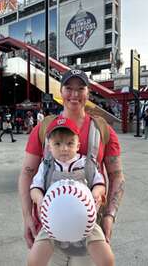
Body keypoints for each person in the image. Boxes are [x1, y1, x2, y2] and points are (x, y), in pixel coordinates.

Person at [19, 69, 125, 266]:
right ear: (61, 90)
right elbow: (27, 174)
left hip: (87, 226)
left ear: (88, 92)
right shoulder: (43, 128)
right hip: (50, 226)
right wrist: (27, 216)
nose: (74, 94)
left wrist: (109, 216)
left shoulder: (103, 130)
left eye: (81, 88)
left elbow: (117, 176)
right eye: (69, 88)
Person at [28, 116, 113, 266]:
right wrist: (40, 199)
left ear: (78, 145)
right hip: (52, 221)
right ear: (49, 147)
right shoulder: (47, 166)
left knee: (107, 259)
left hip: (85, 219)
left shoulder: (86, 164)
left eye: (70, 143)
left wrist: (96, 193)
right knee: (34, 260)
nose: (64, 148)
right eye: (58, 144)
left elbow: (99, 184)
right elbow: (35, 188)